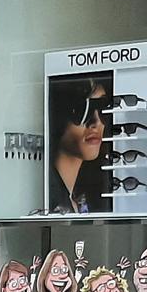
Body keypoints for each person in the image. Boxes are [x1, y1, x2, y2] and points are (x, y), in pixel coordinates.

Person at [46, 80, 112, 215]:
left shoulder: (86, 196)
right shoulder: (46, 196)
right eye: (82, 110)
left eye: (102, 108)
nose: (96, 122)